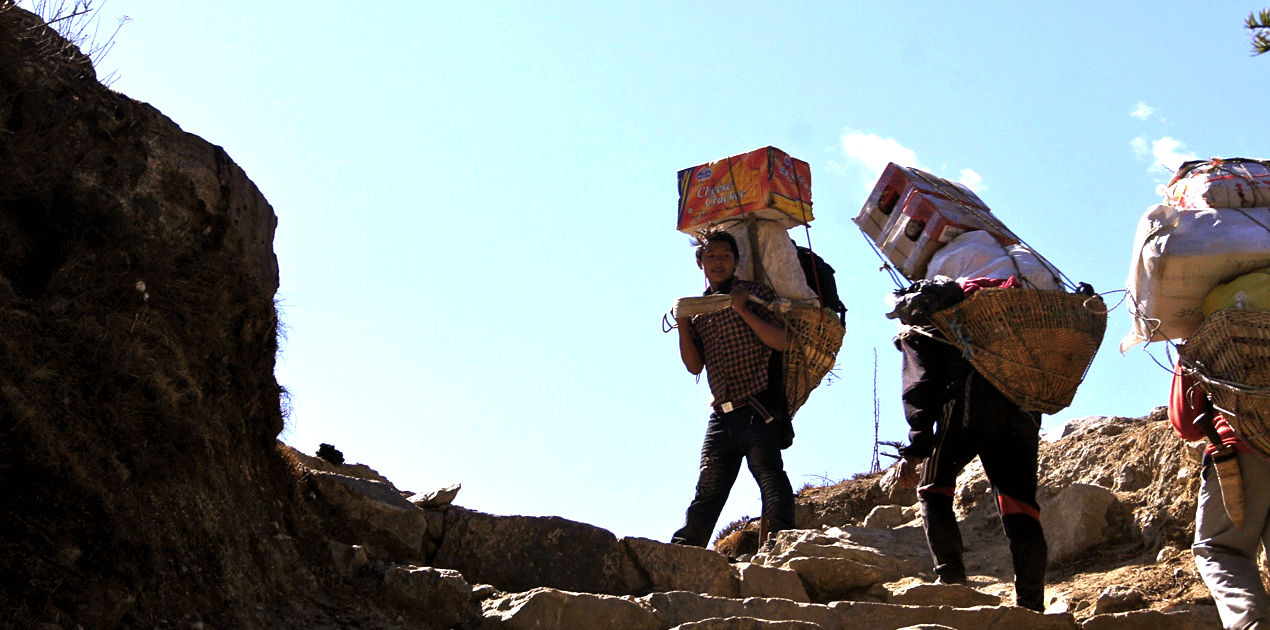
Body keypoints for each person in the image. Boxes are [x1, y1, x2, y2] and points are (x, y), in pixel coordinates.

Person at [891, 279, 1048, 612]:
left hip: (966, 401)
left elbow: (920, 386)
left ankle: (951, 582)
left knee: (934, 487)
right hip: (1023, 408)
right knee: (1020, 506)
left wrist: (916, 448)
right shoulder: (997, 320)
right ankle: (1032, 607)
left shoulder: (921, 324)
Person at [670, 228, 795, 548]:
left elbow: (780, 341)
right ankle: (686, 549)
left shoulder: (755, 295)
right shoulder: (698, 309)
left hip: (757, 405)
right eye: (710, 256)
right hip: (721, 414)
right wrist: (683, 323)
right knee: (708, 488)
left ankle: (781, 544)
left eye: (725, 256)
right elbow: (694, 366)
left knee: (769, 477)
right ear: (700, 263)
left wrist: (742, 309)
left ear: (737, 261)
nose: (718, 262)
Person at [1171, 362, 1270, 630]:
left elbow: (1186, 424)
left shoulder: (1203, 335)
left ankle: (1251, 623)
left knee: (1219, 549)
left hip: (1242, 446)